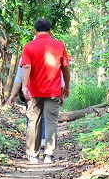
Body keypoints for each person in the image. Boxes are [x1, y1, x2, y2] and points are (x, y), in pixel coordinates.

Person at [20, 18, 70, 164]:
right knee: (51, 122)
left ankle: (32, 155)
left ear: (35, 30)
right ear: (50, 30)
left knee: (33, 121)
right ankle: (48, 154)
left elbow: (27, 67)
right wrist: (66, 86)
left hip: (33, 92)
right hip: (53, 91)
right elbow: (65, 69)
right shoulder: (59, 45)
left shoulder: (28, 47)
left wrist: (24, 86)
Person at [7, 56, 46, 154]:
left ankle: (33, 145)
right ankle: (43, 141)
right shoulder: (49, 53)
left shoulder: (27, 53)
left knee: (32, 118)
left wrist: (13, 94)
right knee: (43, 117)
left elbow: (19, 77)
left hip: (31, 91)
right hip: (46, 89)